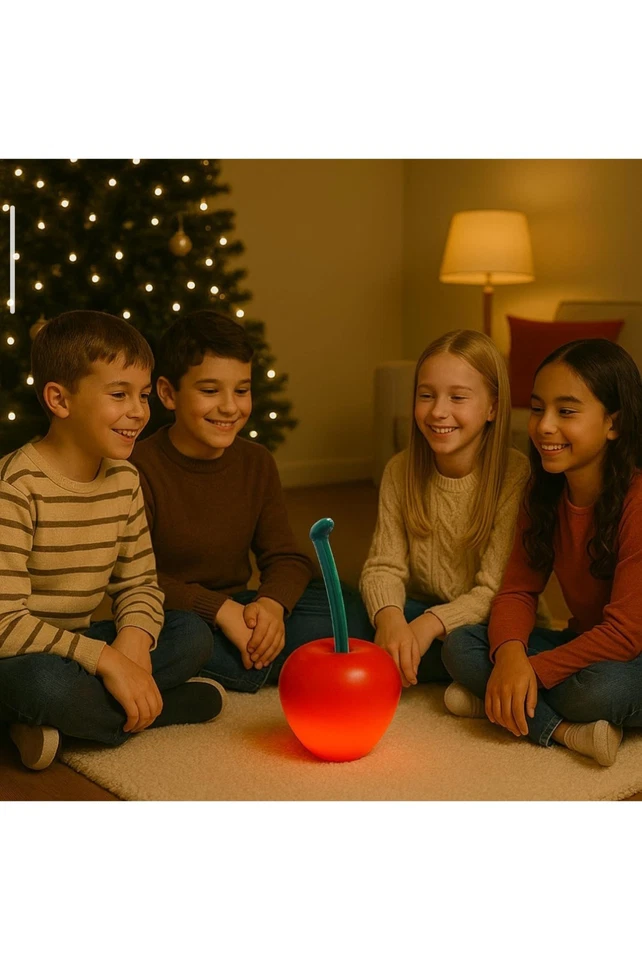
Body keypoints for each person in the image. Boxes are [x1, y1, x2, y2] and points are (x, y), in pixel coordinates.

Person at [0, 311, 223, 771]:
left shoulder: (124, 479)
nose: (139, 411)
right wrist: (107, 660)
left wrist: (134, 642)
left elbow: (139, 584)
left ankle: (66, 722)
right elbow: (4, 623)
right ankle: (159, 709)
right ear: (59, 400)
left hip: (76, 645)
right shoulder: (15, 487)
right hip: (17, 655)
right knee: (43, 684)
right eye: (119, 394)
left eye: (143, 394)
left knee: (192, 635)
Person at [131, 310, 373, 693]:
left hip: (243, 608)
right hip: (171, 615)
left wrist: (272, 605)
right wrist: (219, 611)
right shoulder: (137, 468)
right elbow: (135, 580)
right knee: (188, 638)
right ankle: (240, 661)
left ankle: (224, 664)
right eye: (210, 391)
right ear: (168, 393)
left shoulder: (256, 461)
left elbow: (287, 557)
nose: (230, 407)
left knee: (350, 608)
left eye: (241, 390)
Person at [442, 338, 642, 766]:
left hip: (629, 657)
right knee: (461, 645)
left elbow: (626, 635)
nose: (544, 426)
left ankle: (499, 702)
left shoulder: (638, 501)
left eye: (566, 412)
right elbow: (517, 591)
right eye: (537, 408)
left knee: (600, 690)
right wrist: (511, 656)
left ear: (614, 423)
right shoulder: (543, 491)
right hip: (589, 644)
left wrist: (528, 671)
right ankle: (563, 729)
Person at [360, 329, 540, 688]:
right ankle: (434, 666)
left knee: (462, 648)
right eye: (426, 395)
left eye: (458, 397)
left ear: (492, 407)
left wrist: (429, 625)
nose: (438, 411)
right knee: (335, 610)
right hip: (416, 609)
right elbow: (383, 566)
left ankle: (452, 671)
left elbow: (495, 593)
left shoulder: (515, 474)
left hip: (482, 623)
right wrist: (391, 619)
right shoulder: (399, 469)